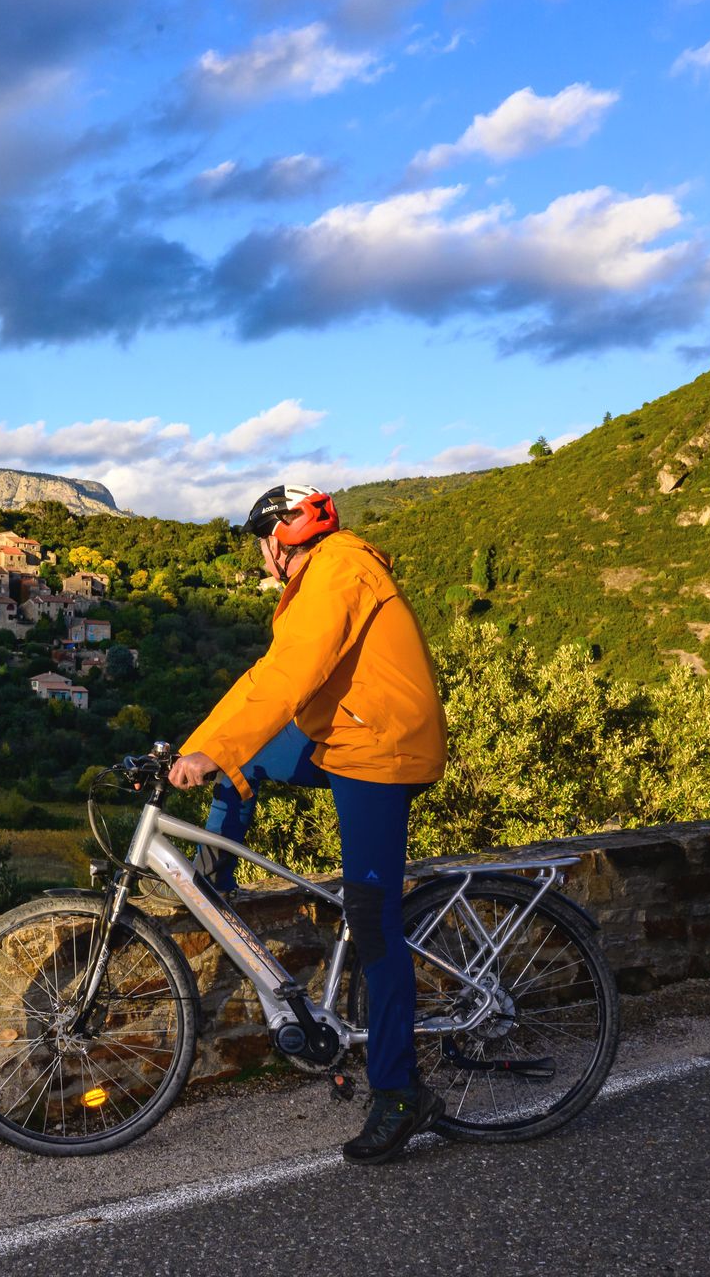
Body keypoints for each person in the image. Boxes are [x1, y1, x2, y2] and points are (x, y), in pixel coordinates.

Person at [166, 483, 448, 1165]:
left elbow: (292, 674)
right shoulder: (323, 574)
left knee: (374, 920)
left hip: (378, 750)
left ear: (278, 539)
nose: (260, 557)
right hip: (344, 737)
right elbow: (266, 676)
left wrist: (214, 749)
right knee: (248, 760)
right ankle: (216, 887)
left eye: (259, 543)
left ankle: (399, 1092)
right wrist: (198, 750)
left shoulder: (341, 571)